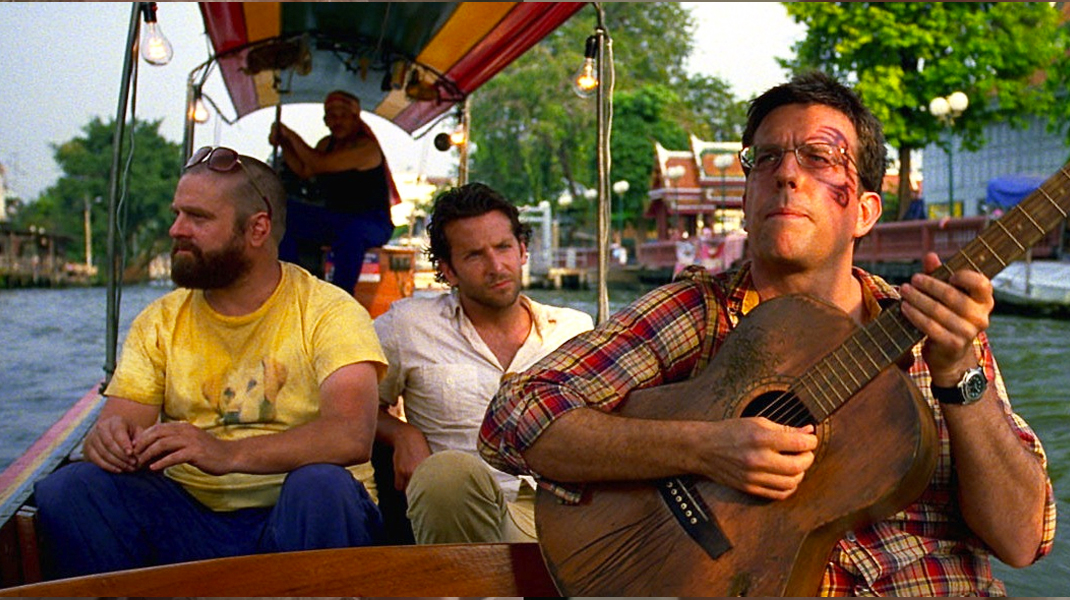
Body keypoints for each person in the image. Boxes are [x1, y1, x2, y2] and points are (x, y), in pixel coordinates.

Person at [479, 72, 1056, 595]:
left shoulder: (939, 326)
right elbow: (514, 416)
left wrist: (959, 374)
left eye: (820, 158)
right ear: (747, 198)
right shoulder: (696, 312)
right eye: (766, 158)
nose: (786, 173)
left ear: (864, 211)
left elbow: (1022, 539)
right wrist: (705, 448)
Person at [34, 146, 387, 579]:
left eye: (197, 218)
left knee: (321, 486)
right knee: (70, 489)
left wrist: (226, 453)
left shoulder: (329, 311)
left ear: (257, 228)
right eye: (177, 214)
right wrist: (107, 441)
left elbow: (350, 435)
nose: (176, 229)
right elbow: (119, 424)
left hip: (299, 517)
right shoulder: (160, 321)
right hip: (190, 521)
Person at [374, 182, 593, 544]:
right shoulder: (407, 326)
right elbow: (352, 411)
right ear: (448, 270)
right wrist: (401, 433)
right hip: (465, 512)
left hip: (568, 513)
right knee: (445, 473)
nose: (496, 266)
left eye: (503, 247)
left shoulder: (574, 330)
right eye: (475, 255)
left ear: (522, 250)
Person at [269, 89, 397, 294]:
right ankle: (291, 285)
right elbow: (305, 170)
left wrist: (290, 134)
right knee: (284, 213)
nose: (337, 122)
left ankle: (341, 295)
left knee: (352, 232)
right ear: (325, 121)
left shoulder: (366, 148)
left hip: (372, 221)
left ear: (355, 118)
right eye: (332, 116)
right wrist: (284, 143)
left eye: (343, 116)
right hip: (336, 218)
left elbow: (318, 163)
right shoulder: (326, 144)